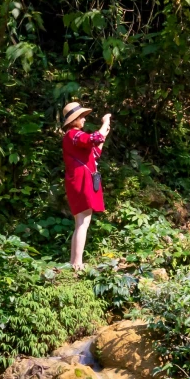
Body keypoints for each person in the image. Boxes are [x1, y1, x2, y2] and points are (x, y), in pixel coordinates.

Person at [60, 102, 111, 268]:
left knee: (80, 222)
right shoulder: (73, 134)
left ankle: (74, 261)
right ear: (73, 119)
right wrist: (104, 123)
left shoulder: (74, 138)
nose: (83, 120)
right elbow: (94, 138)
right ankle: (78, 263)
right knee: (83, 222)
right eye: (81, 117)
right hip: (81, 179)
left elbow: (94, 152)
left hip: (79, 178)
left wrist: (105, 134)